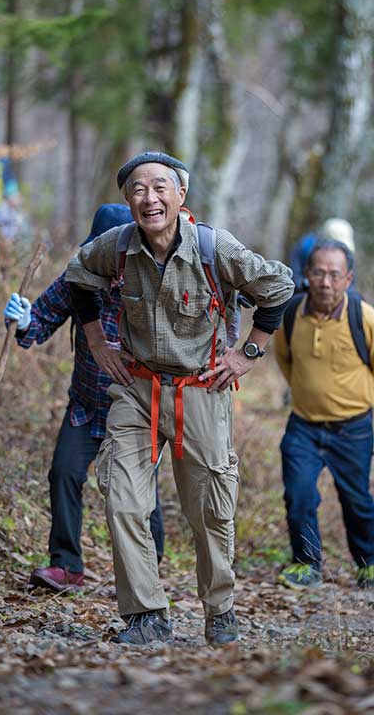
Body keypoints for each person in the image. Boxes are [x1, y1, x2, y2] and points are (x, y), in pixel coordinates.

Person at [65, 151, 294, 646]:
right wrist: (98, 343)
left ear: (180, 195)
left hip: (201, 392)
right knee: (123, 500)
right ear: (128, 201)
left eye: (160, 188)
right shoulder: (118, 246)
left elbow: (278, 286)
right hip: (136, 389)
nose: (150, 199)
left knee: (210, 509)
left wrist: (247, 352)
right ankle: (146, 615)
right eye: (139, 191)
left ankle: (220, 609)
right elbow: (76, 277)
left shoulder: (215, 247)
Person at [3, 204, 165, 593]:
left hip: (137, 412)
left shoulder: (154, 286)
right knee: (64, 473)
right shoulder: (79, 278)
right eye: (102, 252)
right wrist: (25, 319)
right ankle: (66, 567)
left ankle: (147, 574)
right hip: (86, 407)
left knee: (138, 496)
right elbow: (41, 320)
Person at [274, 238, 374, 590]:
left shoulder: (365, 317)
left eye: (334, 274)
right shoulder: (292, 313)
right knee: (299, 495)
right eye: (319, 273)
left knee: (355, 498)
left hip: (352, 428)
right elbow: (284, 359)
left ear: (349, 278)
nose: (326, 282)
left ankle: (367, 563)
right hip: (303, 426)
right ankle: (306, 563)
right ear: (307, 274)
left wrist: (358, 400)